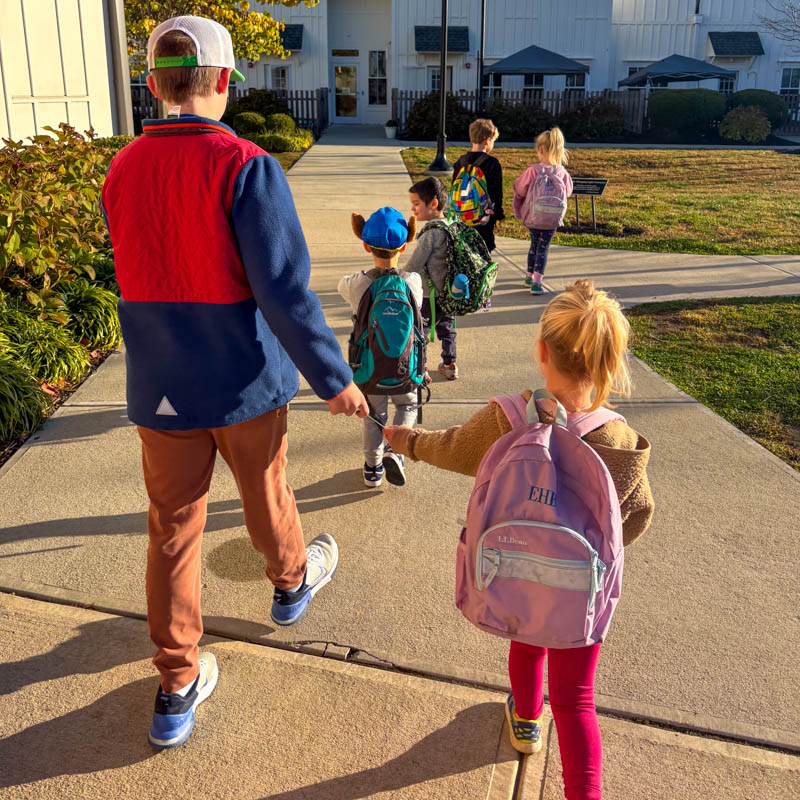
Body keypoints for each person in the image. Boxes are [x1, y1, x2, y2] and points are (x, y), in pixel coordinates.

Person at [101, 15, 368, 750]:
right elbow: (283, 290)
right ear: (223, 81)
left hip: (161, 385)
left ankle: (176, 687)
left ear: (152, 84)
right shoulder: (246, 166)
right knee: (265, 490)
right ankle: (290, 584)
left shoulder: (122, 168)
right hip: (243, 379)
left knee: (172, 531)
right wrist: (333, 377)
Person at [384, 280, 654, 800]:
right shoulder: (618, 439)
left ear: (542, 351)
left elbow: (454, 448)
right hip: (579, 592)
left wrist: (407, 441)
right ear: (608, 359)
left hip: (517, 572)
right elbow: (638, 514)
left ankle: (526, 721)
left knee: (526, 648)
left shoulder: (509, 418)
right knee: (576, 700)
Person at [338, 207, 422, 488]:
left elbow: (340, 286)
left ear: (365, 245)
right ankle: (395, 450)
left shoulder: (357, 283)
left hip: (370, 366)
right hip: (406, 366)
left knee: (374, 416)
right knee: (408, 404)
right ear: (404, 245)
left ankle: (372, 469)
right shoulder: (413, 281)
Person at [406, 177, 459, 381]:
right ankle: (450, 364)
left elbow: (414, 264)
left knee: (422, 331)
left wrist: (399, 275)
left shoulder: (431, 233)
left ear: (434, 203)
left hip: (429, 295)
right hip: (449, 292)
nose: (413, 208)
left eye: (416, 203)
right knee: (447, 329)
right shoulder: (453, 225)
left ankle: (422, 368)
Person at [512, 127, 573, 295]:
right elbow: (568, 192)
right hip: (552, 220)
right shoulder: (562, 172)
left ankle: (529, 276)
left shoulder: (533, 170)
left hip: (534, 217)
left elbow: (520, 189)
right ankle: (537, 283)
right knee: (543, 248)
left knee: (534, 245)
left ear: (540, 149)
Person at [451, 119, 505, 252]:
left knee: (464, 253)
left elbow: (454, 188)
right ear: (487, 140)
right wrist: (498, 214)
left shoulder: (460, 162)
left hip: (461, 218)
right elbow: (496, 193)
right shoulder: (492, 163)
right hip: (483, 221)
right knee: (482, 253)